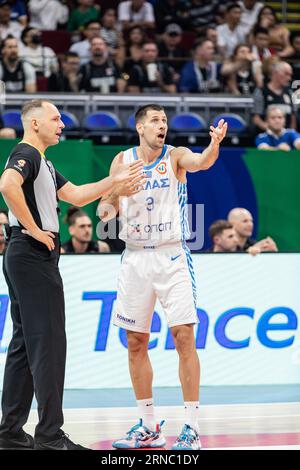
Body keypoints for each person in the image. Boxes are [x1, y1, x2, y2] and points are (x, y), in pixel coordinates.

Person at [0, 98, 144, 450]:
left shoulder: (44, 163)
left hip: (25, 256)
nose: (62, 124)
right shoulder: (27, 155)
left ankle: (10, 432)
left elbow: (78, 196)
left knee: (24, 345)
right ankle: (49, 435)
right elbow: (6, 185)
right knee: (48, 344)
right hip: (32, 254)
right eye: (56, 118)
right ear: (34, 123)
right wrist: (34, 229)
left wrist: (114, 183)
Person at [98, 104, 227, 450]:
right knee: (136, 342)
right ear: (140, 127)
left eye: (165, 121)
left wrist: (213, 146)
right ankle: (149, 426)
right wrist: (116, 193)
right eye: (155, 121)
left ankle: (192, 428)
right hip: (135, 256)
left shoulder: (175, 156)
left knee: (184, 337)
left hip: (172, 255)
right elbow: (103, 212)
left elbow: (201, 163)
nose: (162, 126)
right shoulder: (122, 161)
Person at [252, 61, 296, 131]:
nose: (289, 78)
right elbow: (256, 119)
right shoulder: (261, 91)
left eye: (290, 75)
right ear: (275, 73)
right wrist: (274, 133)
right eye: (286, 74)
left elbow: (293, 118)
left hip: (286, 137)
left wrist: (290, 135)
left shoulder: (289, 92)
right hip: (267, 136)